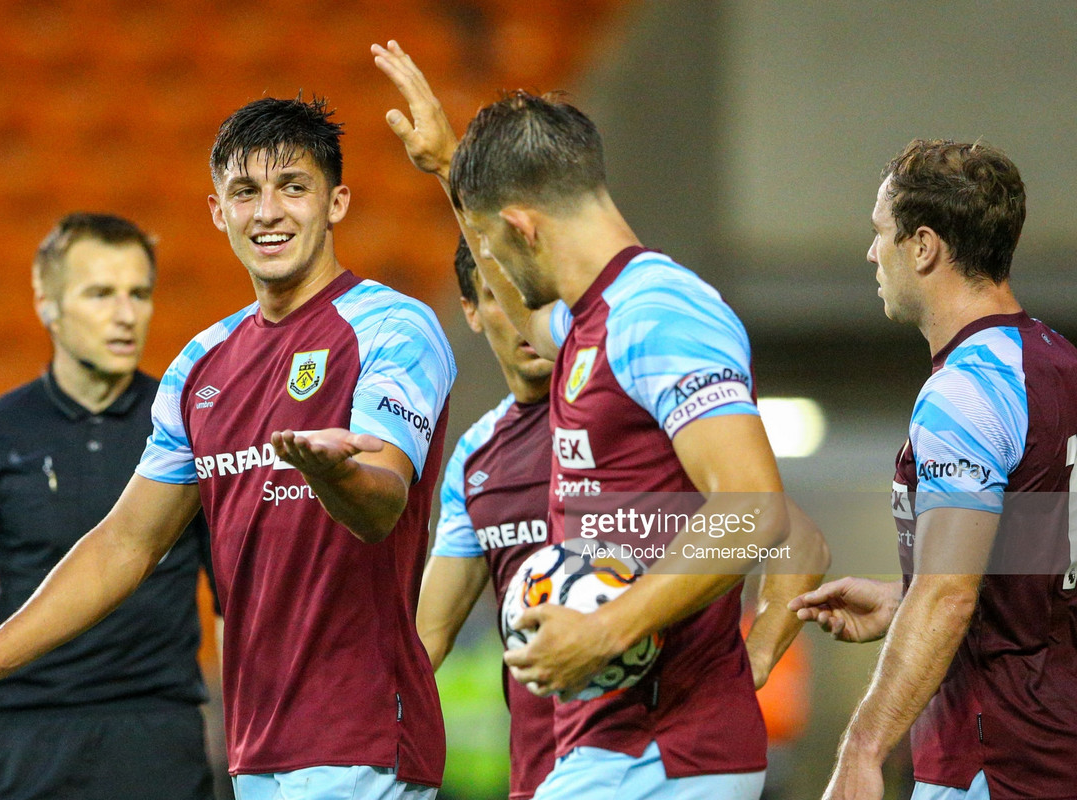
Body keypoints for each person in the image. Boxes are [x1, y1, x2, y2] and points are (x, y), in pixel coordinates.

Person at [0, 98, 457, 800]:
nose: (268, 212)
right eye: (245, 193)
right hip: (257, 753)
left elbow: (382, 504)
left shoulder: (392, 327)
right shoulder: (202, 364)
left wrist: (332, 475)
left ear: (336, 201)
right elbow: (123, 546)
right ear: (218, 212)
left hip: (366, 739)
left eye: (293, 186)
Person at [373, 41, 829, 800]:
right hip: (613, 745)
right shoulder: (593, 322)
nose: (490, 266)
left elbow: (753, 508)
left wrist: (608, 629)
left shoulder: (661, 313)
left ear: (522, 227)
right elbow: (515, 307)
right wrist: (452, 170)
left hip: (665, 749)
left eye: (492, 241)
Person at [0, 212, 218, 800]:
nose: (126, 314)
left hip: (156, 745)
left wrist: (254, 753)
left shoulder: (193, 431)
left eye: (139, 294)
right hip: (23, 743)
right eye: (100, 294)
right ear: (46, 302)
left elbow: (237, 608)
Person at [790, 140, 1077, 800]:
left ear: (923, 247)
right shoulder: (1059, 364)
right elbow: (1039, 575)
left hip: (993, 763)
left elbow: (949, 594)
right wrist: (901, 599)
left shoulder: (967, 389)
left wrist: (863, 750)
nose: (871, 254)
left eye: (879, 233)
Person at [417, 236, 555, 800]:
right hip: (537, 773)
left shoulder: (629, 417)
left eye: (538, 296)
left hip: (655, 765)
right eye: (502, 296)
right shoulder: (477, 458)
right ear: (470, 312)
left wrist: (758, 652)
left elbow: (768, 527)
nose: (527, 317)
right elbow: (426, 637)